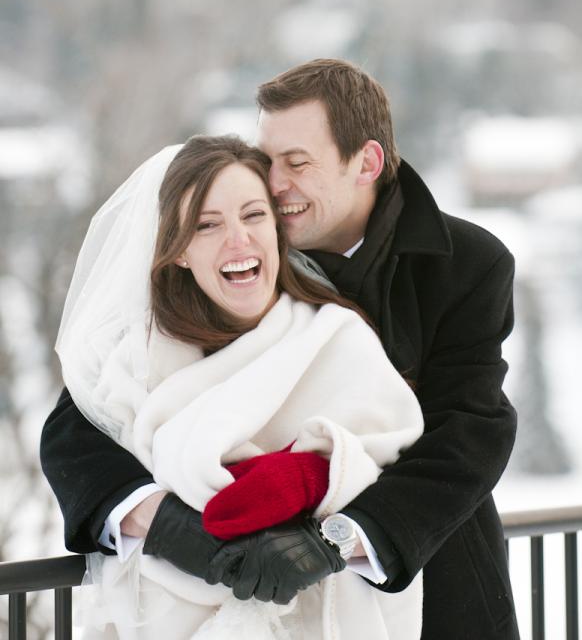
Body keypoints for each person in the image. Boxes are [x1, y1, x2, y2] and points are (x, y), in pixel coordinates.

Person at [42, 58, 520, 639]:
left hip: (425, 576)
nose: (273, 185)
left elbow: (469, 433)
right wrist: (165, 524)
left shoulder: (468, 264)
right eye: (268, 161)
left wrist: (339, 539)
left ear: (365, 162)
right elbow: (79, 428)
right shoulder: (245, 255)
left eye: (297, 163)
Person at [53, 134, 424, 639]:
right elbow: (73, 448)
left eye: (254, 216)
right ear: (179, 250)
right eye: (207, 225)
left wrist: (316, 481)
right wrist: (165, 525)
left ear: (277, 230)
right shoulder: (133, 356)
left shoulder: (338, 339)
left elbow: (400, 462)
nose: (238, 240)